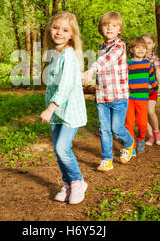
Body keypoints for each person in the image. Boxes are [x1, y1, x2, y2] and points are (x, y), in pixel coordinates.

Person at [39, 11, 88, 205]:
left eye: (65, 30)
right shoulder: (56, 55)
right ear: (50, 29)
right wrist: (52, 110)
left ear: (71, 35)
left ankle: (78, 182)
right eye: (56, 27)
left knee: (62, 148)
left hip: (69, 112)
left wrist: (50, 109)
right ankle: (67, 184)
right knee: (58, 150)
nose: (59, 32)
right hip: (58, 112)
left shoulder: (68, 55)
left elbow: (66, 85)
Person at [82, 11, 134, 172]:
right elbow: (102, 66)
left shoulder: (119, 46)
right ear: (101, 28)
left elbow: (107, 60)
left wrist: (91, 70)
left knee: (116, 129)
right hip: (102, 97)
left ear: (120, 29)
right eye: (105, 25)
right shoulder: (101, 46)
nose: (109, 28)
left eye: (114, 25)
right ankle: (107, 159)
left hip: (118, 96)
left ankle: (128, 143)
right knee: (104, 129)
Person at [125, 37, 159, 156]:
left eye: (143, 48)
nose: (140, 50)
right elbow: (123, 78)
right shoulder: (128, 63)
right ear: (132, 50)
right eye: (137, 47)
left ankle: (140, 139)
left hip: (143, 99)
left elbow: (152, 78)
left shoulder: (148, 64)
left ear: (146, 50)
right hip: (129, 98)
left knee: (142, 123)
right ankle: (131, 146)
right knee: (129, 123)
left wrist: (156, 88)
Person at [141, 33, 160, 146]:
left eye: (149, 43)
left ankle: (156, 132)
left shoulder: (154, 59)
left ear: (153, 45)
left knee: (150, 112)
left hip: (151, 90)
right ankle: (150, 136)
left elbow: (158, 72)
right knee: (142, 115)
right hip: (140, 91)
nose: (147, 46)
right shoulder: (138, 58)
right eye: (144, 43)